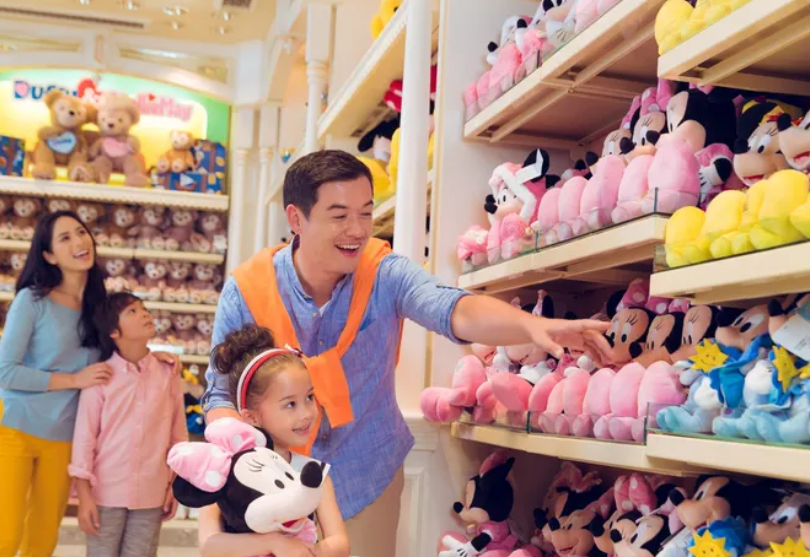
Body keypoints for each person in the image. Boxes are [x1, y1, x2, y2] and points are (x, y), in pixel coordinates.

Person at [203, 150, 613, 557]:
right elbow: (221, 394)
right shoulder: (249, 289)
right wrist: (238, 464)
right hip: (271, 487)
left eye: (366, 213)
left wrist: (531, 326)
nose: (357, 230)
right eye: (339, 215)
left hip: (367, 473)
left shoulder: (384, 272)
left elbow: (451, 307)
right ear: (296, 219)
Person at [0, 212, 176, 557]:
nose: (79, 242)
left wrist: (150, 357)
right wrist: (73, 380)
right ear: (49, 255)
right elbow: (5, 373)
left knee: (43, 540)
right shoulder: (32, 301)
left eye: (81, 232)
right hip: (13, 428)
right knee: (4, 538)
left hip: (64, 438)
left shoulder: (99, 308)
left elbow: (117, 354)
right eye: (65, 238)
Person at [194, 324, 349, 557]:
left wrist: (310, 552)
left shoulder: (312, 473)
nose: (306, 413)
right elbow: (209, 544)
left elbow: (339, 542)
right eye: (290, 404)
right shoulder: (226, 470)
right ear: (252, 417)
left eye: (309, 397)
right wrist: (274, 544)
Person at [69, 292, 187, 557]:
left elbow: (178, 436)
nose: (144, 314)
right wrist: (84, 496)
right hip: (105, 494)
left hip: (152, 493)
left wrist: (174, 485)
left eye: (144, 308)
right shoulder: (101, 377)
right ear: (113, 332)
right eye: (132, 311)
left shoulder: (167, 373)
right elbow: (85, 439)